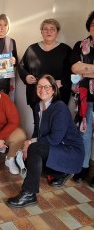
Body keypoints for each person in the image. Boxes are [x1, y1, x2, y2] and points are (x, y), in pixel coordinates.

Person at [7, 75, 84, 208]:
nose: (42, 89)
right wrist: (27, 146)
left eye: (47, 86)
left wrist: (30, 144)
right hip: (56, 148)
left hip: (70, 151)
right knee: (29, 157)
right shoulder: (38, 106)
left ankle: (29, 194)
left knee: (34, 150)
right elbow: (37, 132)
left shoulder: (60, 108)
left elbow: (54, 139)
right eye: (39, 86)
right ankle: (61, 173)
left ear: (54, 89)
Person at [18, 19, 72, 123]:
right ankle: (37, 139)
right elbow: (21, 66)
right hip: (36, 93)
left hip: (58, 94)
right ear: (41, 32)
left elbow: (72, 71)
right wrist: (26, 77)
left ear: (57, 32)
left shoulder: (65, 50)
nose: (49, 31)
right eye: (45, 29)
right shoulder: (32, 49)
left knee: (57, 124)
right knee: (39, 125)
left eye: (52, 29)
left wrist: (63, 82)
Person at [71, 11, 94, 187]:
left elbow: (81, 69)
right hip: (85, 97)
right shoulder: (80, 45)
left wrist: (85, 69)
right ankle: (83, 166)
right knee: (84, 133)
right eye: (93, 25)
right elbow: (74, 68)